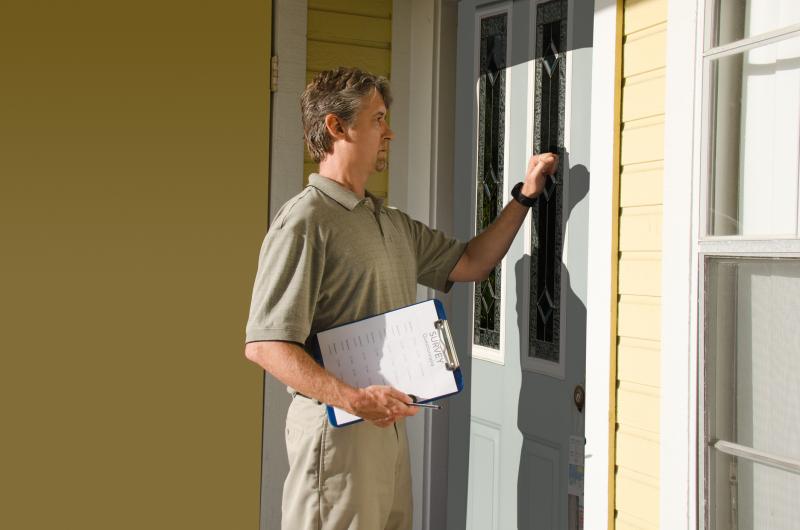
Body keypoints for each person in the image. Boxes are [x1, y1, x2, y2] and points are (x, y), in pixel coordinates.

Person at [244, 67, 558, 530]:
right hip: (338, 433)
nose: (389, 131)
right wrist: (353, 399)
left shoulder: (388, 221)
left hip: (385, 427)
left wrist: (526, 196)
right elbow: (266, 346)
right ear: (337, 126)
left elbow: (472, 261)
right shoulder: (305, 221)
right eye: (377, 119)